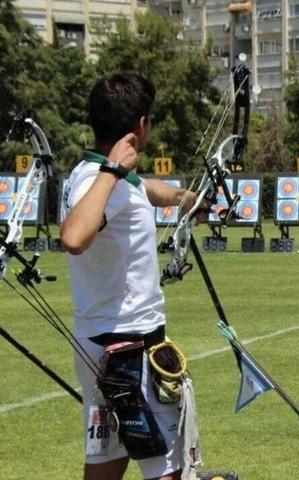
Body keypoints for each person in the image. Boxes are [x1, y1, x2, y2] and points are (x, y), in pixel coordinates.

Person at [61, 73, 204, 480]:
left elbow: (143, 189)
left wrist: (185, 199)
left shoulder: (93, 174)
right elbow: (73, 236)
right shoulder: (102, 179)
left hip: (97, 347)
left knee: (106, 460)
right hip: (130, 350)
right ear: (141, 126)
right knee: (166, 468)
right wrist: (113, 170)